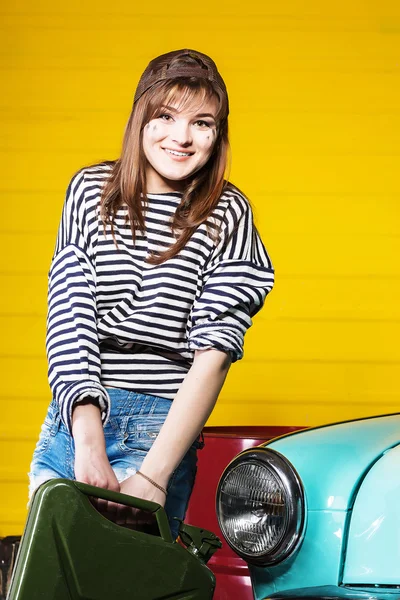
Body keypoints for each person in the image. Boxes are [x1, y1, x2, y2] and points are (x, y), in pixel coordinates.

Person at [28, 49, 275, 538]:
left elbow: (216, 353)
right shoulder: (90, 190)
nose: (181, 137)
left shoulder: (227, 212)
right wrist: (88, 441)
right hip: (72, 421)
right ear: (140, 117)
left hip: (160, 427)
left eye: (202, 123)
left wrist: (154, 475)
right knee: (50, 585)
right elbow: (70, 311)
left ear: (218, 134)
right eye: (165, 116)